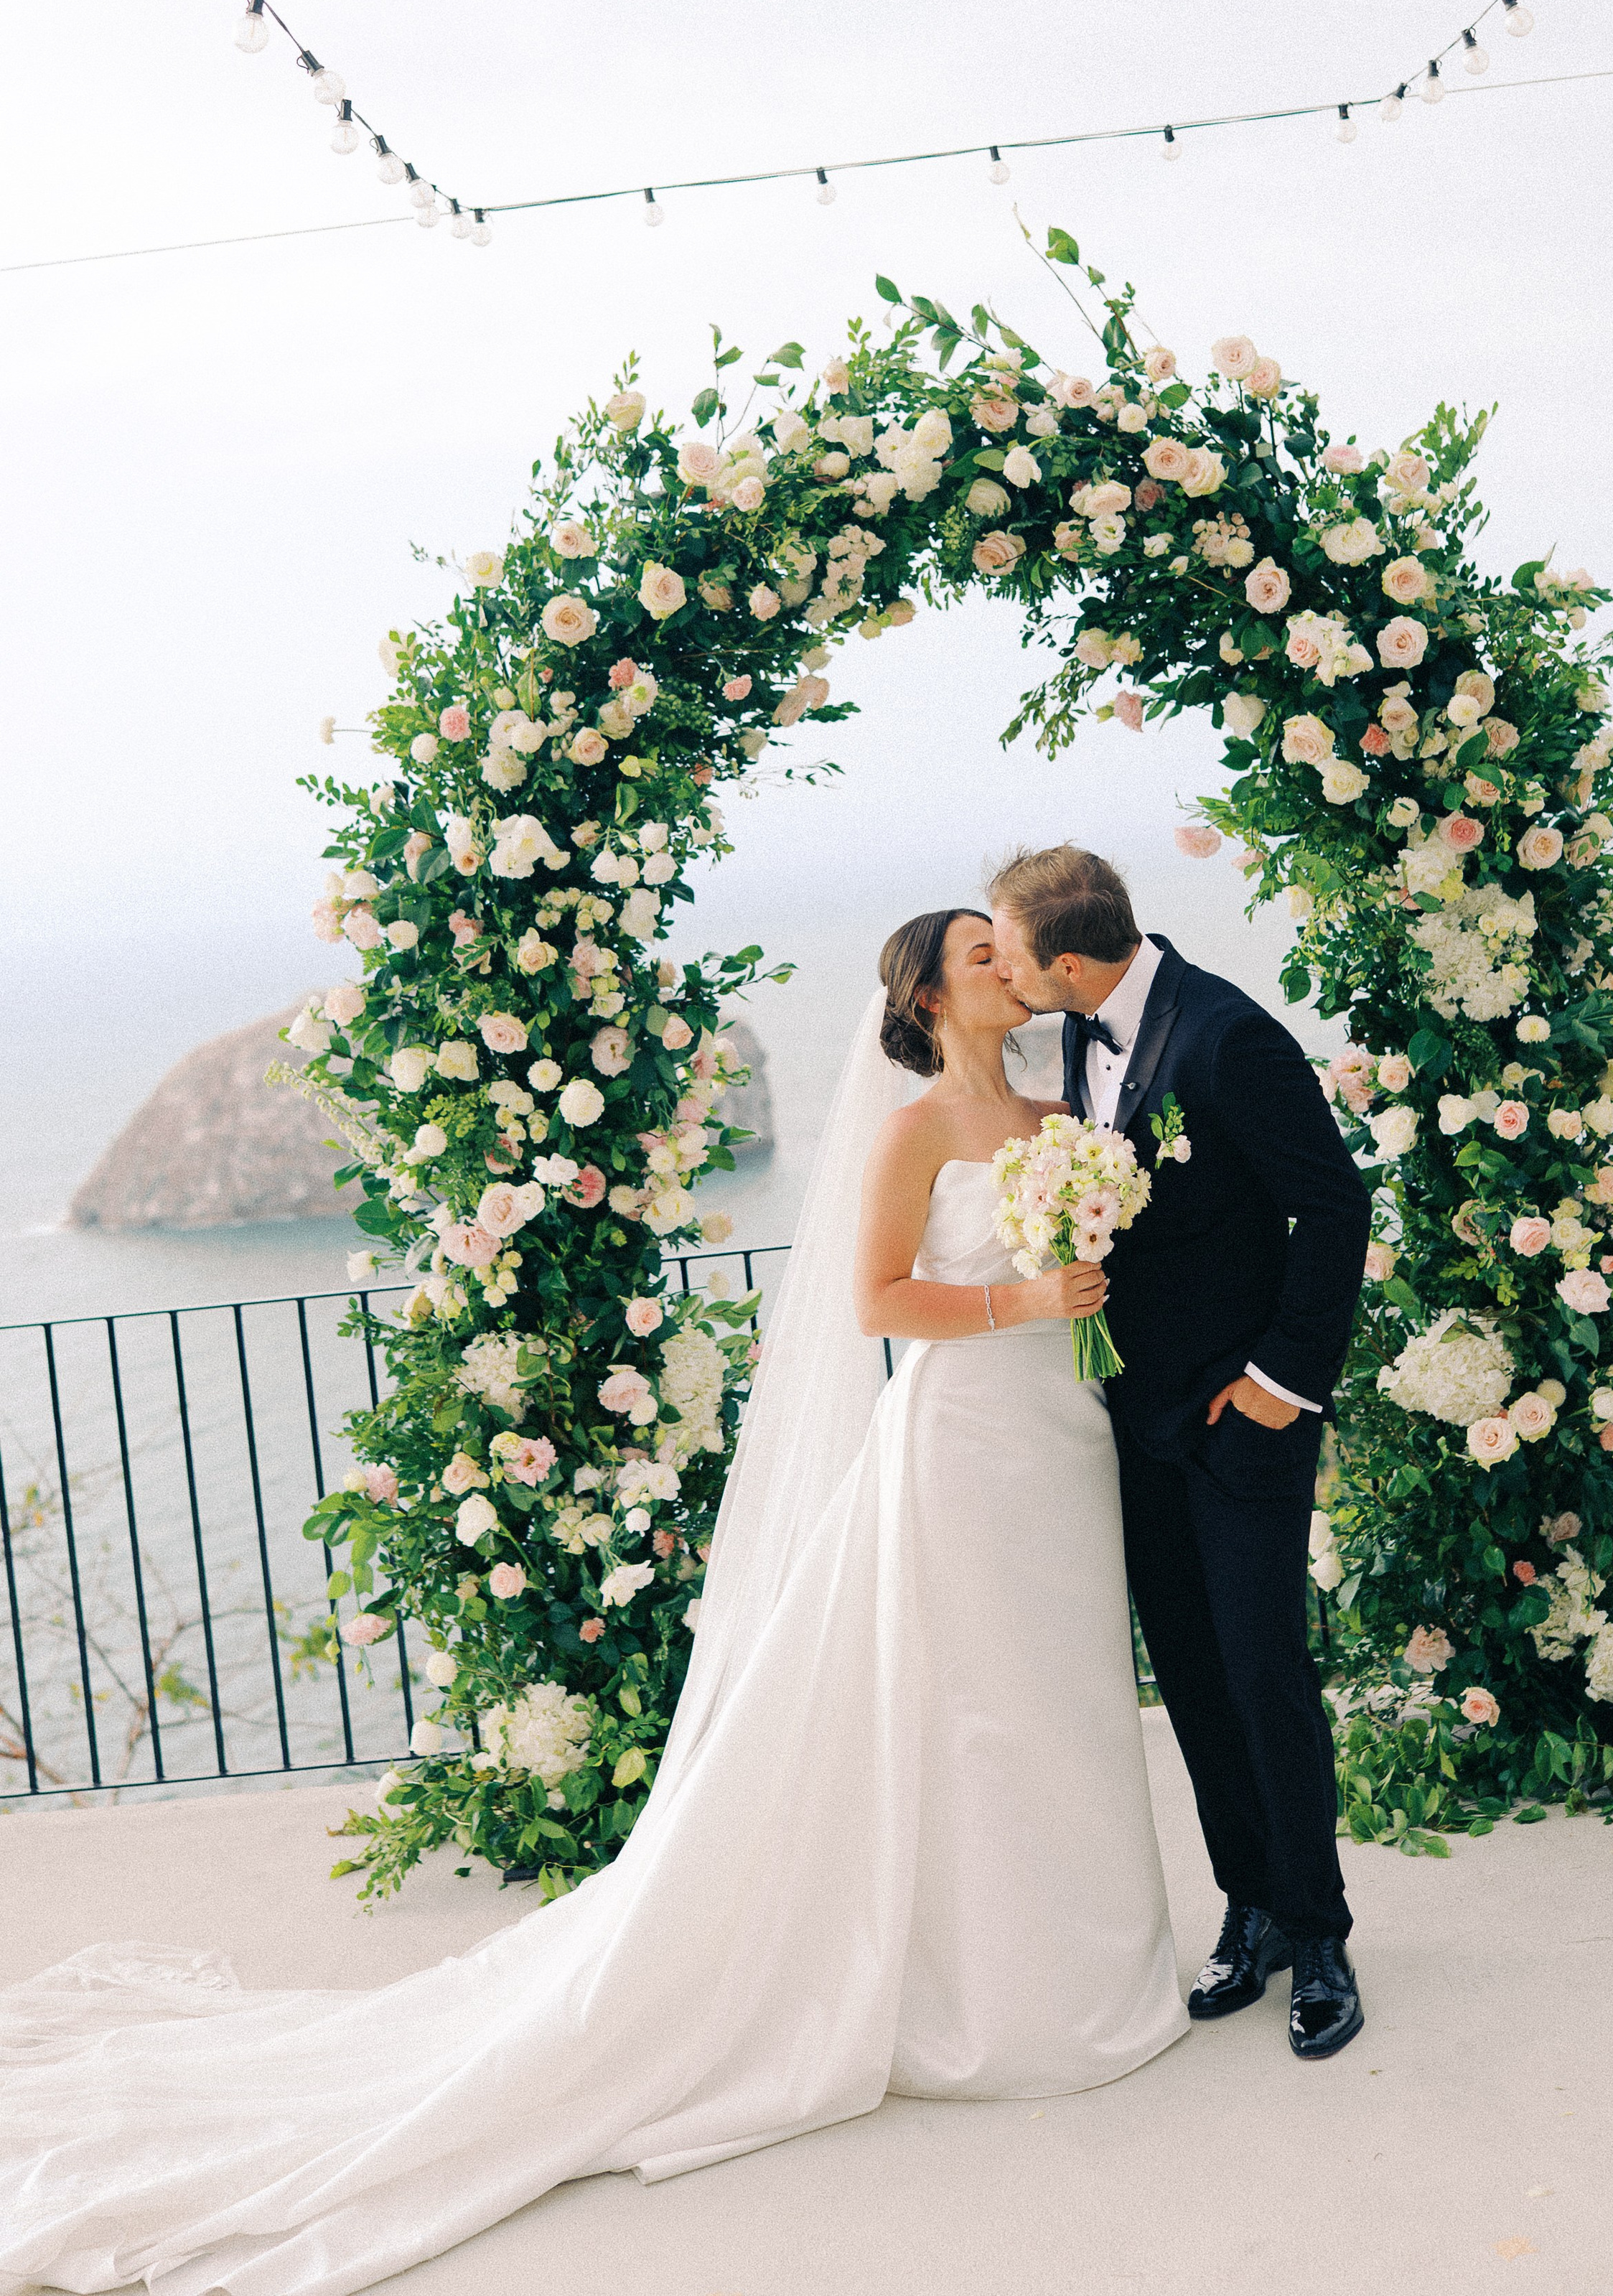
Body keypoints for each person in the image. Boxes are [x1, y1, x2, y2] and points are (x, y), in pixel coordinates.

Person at [0, 910, 1187, 2296]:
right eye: (978, 951)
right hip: (961, 1443)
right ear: (928, 993)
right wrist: (1026, 1299)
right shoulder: (916, 1130)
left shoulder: (1062, 1114)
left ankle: (1085, 1967)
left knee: (1059, 1699)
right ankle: (995, 2001)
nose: (1006, 960)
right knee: (971, 1707)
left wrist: (1081, 1294)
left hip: (1061, 1439)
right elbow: (875, 1300)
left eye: (1010, 949)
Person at [987, 844, 1373, 2061]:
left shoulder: (1225, 1035)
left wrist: (1283, 1383)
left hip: (1240, 1420)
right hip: (1137, 1425)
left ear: (1063, 959)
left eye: (1005, 949)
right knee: (1195, 1682)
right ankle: (1249, 1906)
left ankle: (1319, 1932)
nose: (999, 968)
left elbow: (1337, 1203)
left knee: (1265, 1676)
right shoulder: (1075, 1042)